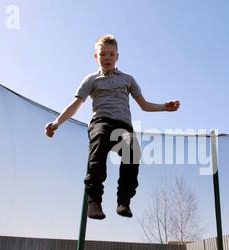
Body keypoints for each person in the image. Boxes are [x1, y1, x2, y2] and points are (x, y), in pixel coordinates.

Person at [45, 34, 180, 220]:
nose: (107, 58)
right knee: (98, 147)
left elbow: (144, 105)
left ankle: (124, 200)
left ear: (117, 56)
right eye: (102, 54)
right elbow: (75, 105)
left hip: (123, 126)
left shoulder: (128, 79)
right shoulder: (91, 80)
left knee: (133, 153)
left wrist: (165, 107)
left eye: (111, 54)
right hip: (101, 122)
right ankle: (94, 201)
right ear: (96, 57)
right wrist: (56, 123)